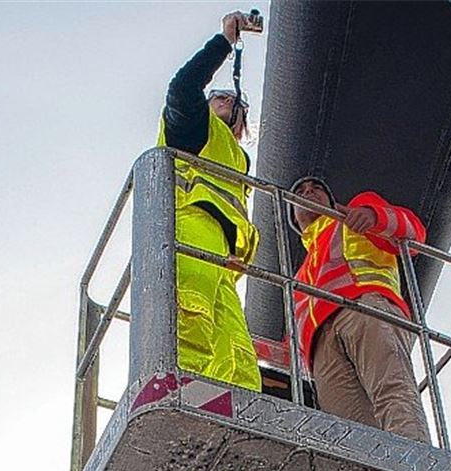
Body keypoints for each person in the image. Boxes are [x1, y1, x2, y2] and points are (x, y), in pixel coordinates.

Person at [158, 14, 261, 392]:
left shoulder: (236, 158)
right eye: (219, 96)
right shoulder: (194, 127)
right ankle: (183, 401)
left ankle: (242, 416)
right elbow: (183, 89)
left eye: (233, 100)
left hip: (224, 263)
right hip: (187, 237)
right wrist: (223, 43)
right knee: (190, 325)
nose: (227, 101)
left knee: (236, 354)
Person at [289, 176, 431, 442]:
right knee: (348, 432)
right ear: (295, 218)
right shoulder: (298, 276)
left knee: (392, 390)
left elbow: (415, 234)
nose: (309, 191)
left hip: (366, 308)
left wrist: (372, 216)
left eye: (316, 188)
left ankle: (415, 461)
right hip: (321, 348)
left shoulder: (355, 216)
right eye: (300, 192)